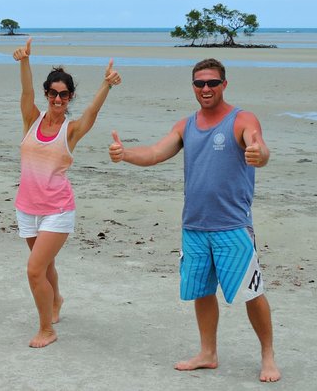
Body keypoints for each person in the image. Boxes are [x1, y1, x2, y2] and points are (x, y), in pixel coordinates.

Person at [108, 58, 281, 382]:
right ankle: (208, 352)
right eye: (199, 83)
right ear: (193, 87)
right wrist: (125, 153)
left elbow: (258, 144)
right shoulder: (185, 125)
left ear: (224, 85)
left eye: (212, 83)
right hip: (195, 227)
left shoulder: (240, 119)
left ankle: (268, 355)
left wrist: (260, 154)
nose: (205, 89)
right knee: (202, 291)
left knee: (251, 293)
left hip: (232, 227)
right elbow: (156, 153)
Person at [13, 38, 121, 348]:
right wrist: (24, 61)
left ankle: (46, 329)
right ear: (47, 94)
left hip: (57, 209)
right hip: (27, 208)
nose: (57, 99)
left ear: (69, 96)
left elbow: (91, 114)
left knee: (34, 270)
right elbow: (25, 93)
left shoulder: (69, 130)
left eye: (63, 94)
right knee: (45, 266)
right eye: (52, 93)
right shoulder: (31, 120)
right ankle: (56, 299)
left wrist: (107, 85)